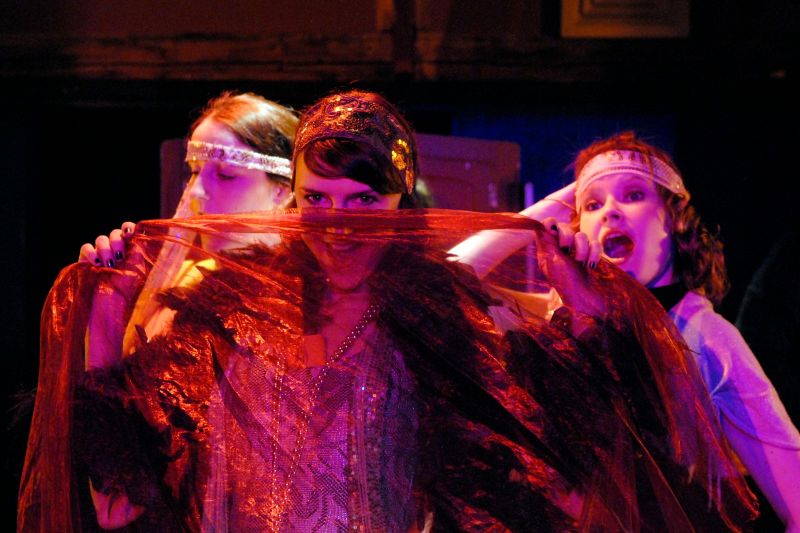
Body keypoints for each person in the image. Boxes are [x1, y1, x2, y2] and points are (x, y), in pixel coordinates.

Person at [19, 97, 756, 531]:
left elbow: (573, 460)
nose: (339, 225)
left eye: (364, 202)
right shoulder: (227, 308)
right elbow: (117, 500)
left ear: (403, 205)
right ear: (294, 198)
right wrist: (107, 317)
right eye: (319, 200)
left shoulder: (440, 324)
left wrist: (593, 309)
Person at [520, 131, 800, 530]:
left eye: (633, 195)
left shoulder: (703, 335)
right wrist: (547, 214)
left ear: (675, 219)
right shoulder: (561, 324)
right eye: (593, 205)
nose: (610, 213)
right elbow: (451, 269)